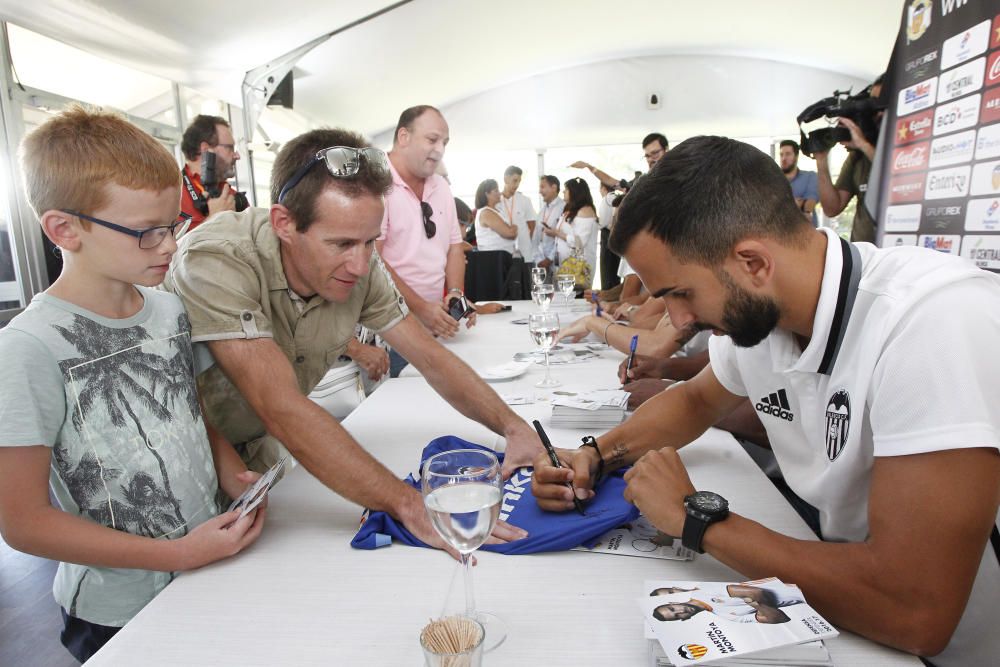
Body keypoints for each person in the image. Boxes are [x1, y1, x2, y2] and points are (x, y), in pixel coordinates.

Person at [532, 135, 1000, 666]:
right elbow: (693, 401)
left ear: (753, 262)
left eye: (681, 294)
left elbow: (915, 609)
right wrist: (597, 453)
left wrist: (698, 520)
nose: (680, 323)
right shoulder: (764, 316)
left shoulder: (934, 324)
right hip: (853, 620)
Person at [162, 127, 542, 552]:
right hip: (178, 473)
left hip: (258, 465)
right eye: (341, 243)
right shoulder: (217, 259)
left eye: (370, 241)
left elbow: (429, 356)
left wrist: (516, 429)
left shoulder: (359, 261)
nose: (361, 265)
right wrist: (409, 504)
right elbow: (281, 406)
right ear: (283, 223)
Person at [0, 107, 266, 663]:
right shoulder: (28, 347)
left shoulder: (168, 309)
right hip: (115, 609)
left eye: (174, 226)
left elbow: (188, 409)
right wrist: (178, 554)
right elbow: (22, 523)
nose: (170, 246)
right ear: (64, 229)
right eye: (148, 233)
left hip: (203, 566)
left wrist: (230, 472)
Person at [376, 105, 470, 378]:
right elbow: (373, 261)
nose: (440, 149)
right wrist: (421, 309)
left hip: (435, 327)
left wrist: (455, 294)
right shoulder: (374, 182)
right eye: (432, 139)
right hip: (392, 330)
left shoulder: (441, 185)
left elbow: (455, 247)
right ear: (403, 137)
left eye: (445, 142)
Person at [815, 76, 883, 242]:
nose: (876, 112)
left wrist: (864, 145)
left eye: (880, 104)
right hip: (866, 255)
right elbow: (832, 208)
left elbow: (896, 178)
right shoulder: (856, 157)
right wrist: (821, 161)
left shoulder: (899, 148)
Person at [179, 114, 243, 229]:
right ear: (206, 149)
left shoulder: (233, 197)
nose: (237, 156)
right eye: (230, 148)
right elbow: (171, 246)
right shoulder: (171, 195)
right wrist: (214, 219)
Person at [651, 582, 804, 625]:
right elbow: (780, 619)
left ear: (673, 602)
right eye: (676, 616)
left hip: (796, 584)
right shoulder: (728, 617)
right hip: (806, 601)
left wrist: (760, 606)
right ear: (683, 619)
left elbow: (755, 593)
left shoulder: (702, 590)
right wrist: (759, 606)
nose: (679, 611)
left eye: (672, 608)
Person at [570, 132, 669, 190]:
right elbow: (613, 182)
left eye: (655, 153)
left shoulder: (681, 176)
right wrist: (589, 167)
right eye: (647, 156)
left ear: (666, 149)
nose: (651, 159)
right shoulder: (643, 182)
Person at [545, 177, 598, 283]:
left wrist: (557, 233)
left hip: (578, 267)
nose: (563, 191)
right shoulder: (571, 209)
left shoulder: (585, 211)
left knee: (576, 296)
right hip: (566, 264)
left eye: (566, 189)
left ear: (575, 192)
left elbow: (579, 242)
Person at [498, 165, 538, 262]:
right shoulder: (496, 201)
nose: (517, 185)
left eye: (519, 181)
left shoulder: (525, 200)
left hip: (524, 251)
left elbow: (532, 226)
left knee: (525, 276)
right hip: (503, 250)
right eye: (515, 180)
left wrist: (527, 243)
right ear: (505, 179)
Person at [778, 140, 818, 225]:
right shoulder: (773, 179)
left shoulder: (810, 176)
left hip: (807, 230)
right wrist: (795, 204)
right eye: (781, 155)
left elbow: (809, 203)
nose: (783, 158)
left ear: (796, 156)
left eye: (788, 154)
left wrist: (783, 205)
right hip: (780, 231)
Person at [473, 178, 517, 253]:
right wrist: (515, 228)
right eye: (496, 191)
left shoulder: (496, 211)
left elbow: (510, 233)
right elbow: (510, 233)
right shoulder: (486, 213)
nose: (499, 193)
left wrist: (510, 230)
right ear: (487, 194)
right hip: (494, 259)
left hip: (502, 257)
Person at [596, 182, 622, 289]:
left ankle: (607, 291)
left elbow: (603, 222)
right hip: (617, 235)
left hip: (607, 234)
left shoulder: (606, 199)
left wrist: (596, 221)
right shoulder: (618, 197)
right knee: (615, 268)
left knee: (606, 268)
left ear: (603, 188)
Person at [536, 175, 565, 270]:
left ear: (554, 188)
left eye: (542, 187)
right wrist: (540, 259)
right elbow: (538, 237)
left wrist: (549, 259)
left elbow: (563, 237)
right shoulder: (543, 209)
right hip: (541, 261)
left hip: (557, 261)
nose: (540, 191)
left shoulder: (564, 207)